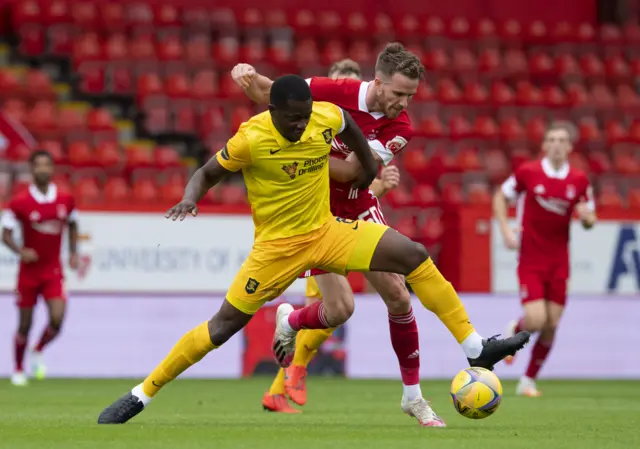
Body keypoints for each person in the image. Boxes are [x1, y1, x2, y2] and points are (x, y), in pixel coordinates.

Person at [97, 74, 530, 425]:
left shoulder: (323, 116)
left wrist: (365, 168)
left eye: (304, 117)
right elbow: (207, 172)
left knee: (413, 254)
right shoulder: (251, 138)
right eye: (292, 119)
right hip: (277, 249)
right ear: (273, 111)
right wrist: (192, 197)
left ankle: (475, 347)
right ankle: (141, 394)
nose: (301, 125)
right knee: (222, 327)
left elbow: (347, 125)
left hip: (326, 232)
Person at [232, 44, 525, 426]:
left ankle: (414, 396)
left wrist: (303, 156)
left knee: (400, 295)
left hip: (358, 210)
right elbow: (272, 93)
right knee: (339, 310)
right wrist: (247, 78)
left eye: (411, 96)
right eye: (399, 93)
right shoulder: (332, 90)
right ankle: (291, 323)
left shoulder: (399, 128)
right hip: (314, 215)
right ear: (378, 81)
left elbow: (355, 172)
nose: (403, 104)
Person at [258, 58, 402, 416]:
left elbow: (356, 182)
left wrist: (378, 186)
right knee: (333, 311)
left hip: (351, 216)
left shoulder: (364, 127)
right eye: (340, 83)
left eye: (351, 84)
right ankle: (288, 378)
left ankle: (281, 386)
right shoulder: (311, 124)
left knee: (346, 307)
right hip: (317, 220)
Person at [493, 122, 596, 397]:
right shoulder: (529, 173)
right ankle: (517, 328)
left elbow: (590, 218)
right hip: (531, 258)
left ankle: (528, 381)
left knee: (552, 324)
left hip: (559, 260)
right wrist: (505, 228)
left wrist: (587, 219)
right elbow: (501, 197)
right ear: (545, 145)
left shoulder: (579, 180)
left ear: (570, 147)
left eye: (563, 140)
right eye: (552, 139)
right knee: (537, 320)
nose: (557, 144)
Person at [1, 150, 79, 386]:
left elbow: (73, 224)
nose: (43, 169)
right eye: (38, 165)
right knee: (25, 323)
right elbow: (5, 234)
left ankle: (38, 348)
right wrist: (20, 250)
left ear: (52, 168)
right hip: (29, 272)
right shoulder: (19, 203)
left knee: (57, 319)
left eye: (47, 164)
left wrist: (74, 252)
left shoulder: (65, 199)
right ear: (31, 169)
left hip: (53, 271)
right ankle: (17, 368)